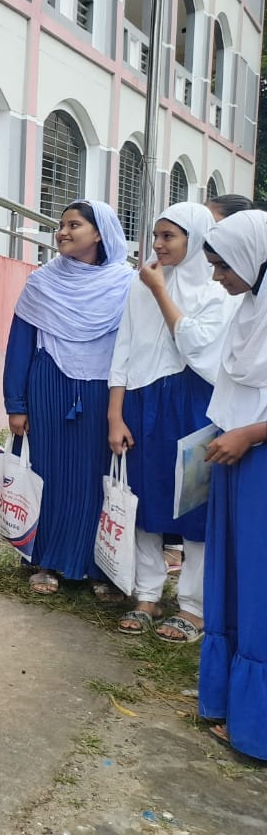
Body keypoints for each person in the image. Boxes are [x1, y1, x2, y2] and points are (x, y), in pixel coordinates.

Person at [108, 204, 233, 642]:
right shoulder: (141, 282)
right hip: (143, 401)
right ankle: (146, 595)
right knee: (144, 502)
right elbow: (123, 347)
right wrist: (115, 413)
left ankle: (194, 608)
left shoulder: (219, 291)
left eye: (169, 237)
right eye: (155, 235)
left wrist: (161, 290)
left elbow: (198, 348)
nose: (158, 245)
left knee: (194, 506)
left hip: (196, 403)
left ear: (196, 238)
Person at [4, 200, 135, 593]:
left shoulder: (125, 284)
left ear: (99, 233)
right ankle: (45, 560)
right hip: (50, 384)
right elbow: (20, 344)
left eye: (73, 225)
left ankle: (98, 566)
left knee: (96, 476)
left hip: (103, 390)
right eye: (60, 225)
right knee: (50, 472)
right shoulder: (42, 282)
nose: (62, 232)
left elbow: (132, 348)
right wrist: (16, 404)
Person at [199, 208, 267, 758]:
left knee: (259, 583)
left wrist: (252, 433)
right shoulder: (251, 309)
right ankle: (226, 701)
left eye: (224, 266)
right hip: (235, 453)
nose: (218, 278)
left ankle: (256, 723)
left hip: (258, 457)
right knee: (234, 575)